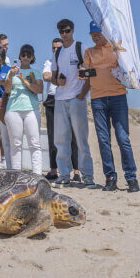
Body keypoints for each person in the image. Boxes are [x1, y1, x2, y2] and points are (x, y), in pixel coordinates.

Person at [84, 22, 140, 192]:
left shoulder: (117, 48)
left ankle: (131, 178)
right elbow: (86, 70)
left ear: (105, 33)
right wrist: (83, 72)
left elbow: (129, 66)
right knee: (103, 140)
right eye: (92, 34)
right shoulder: (89, 52)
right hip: (97, 99)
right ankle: (110, 178)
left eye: (98, 33)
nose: (95, 36)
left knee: (123, 138)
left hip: (118, 97)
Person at [50, 19, 97, 189]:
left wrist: (83, 94)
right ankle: (64, 175)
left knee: (81, 139)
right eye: (61, 32)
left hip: (77, 99)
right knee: (61, 140)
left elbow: (91, 72)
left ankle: (88, 176)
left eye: (67, 31)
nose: (64, 34)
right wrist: (58, 81)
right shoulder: (57, 53)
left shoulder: (81, 47)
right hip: (61, 99)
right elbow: (54, 78)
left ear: (73, 30)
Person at [42, 38, 79, 180]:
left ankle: (76, 171)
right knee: (53, 136)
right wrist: (57, 76)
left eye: (58, 47)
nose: (56, 50)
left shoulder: (69, 61)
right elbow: (46, 76)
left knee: (72, 136)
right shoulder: (48, 62)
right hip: (52, 99)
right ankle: (53, 169)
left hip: (68, 98)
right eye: (53, 48)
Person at [3, 44, 43, 174]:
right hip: (14, 109)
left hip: (31, 109)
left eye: (29, 55)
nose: (26, 57)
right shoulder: (12, 72)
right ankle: (16, 175)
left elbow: (39, 90)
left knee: (34, 143)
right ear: (19, 56)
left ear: (32, 57)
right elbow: (7, 90)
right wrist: (10, 77)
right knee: (16, 144)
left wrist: (25, 81)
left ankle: (37, 175)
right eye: (23, 55)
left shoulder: (36, 73)